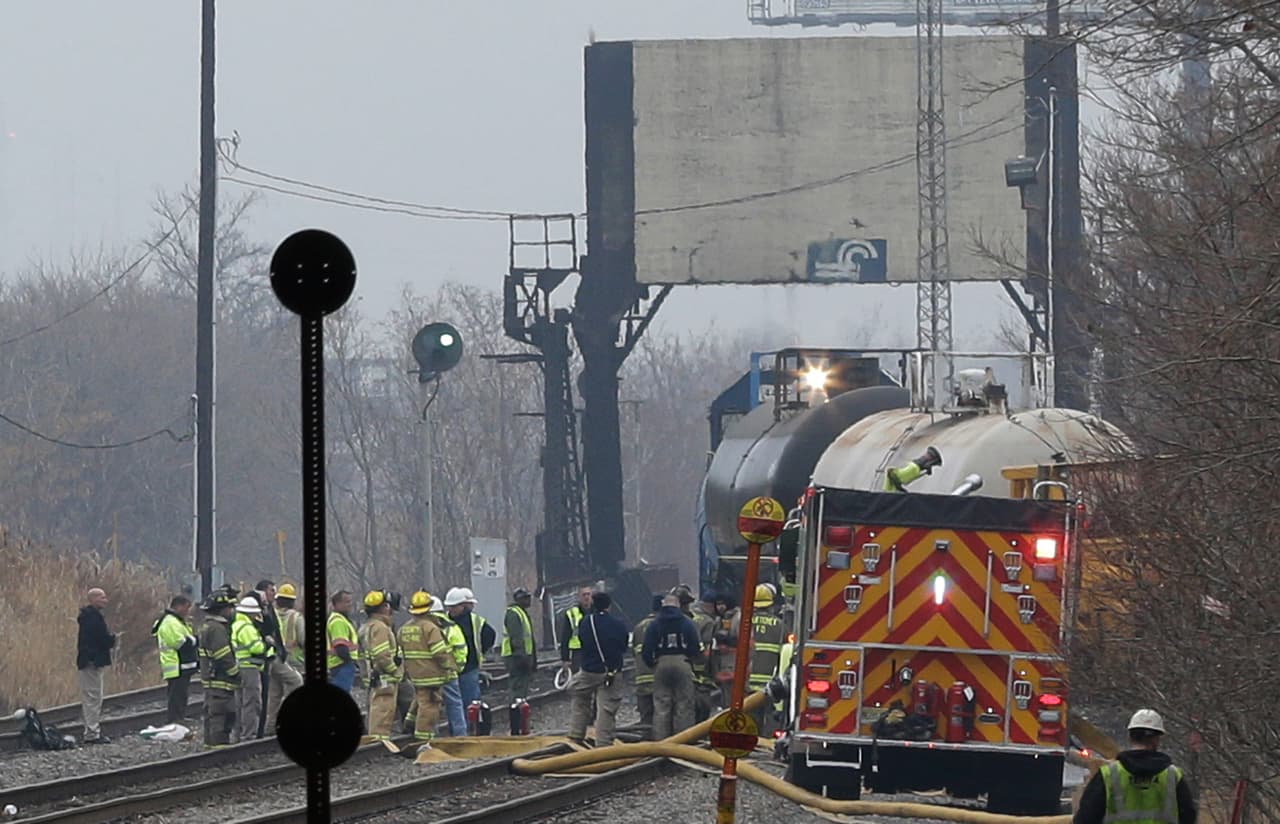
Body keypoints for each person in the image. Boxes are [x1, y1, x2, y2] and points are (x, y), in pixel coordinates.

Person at [1073, 709, 1197, 824]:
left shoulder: (1109, 775)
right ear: (1157, 739)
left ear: (1130, 737)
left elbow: (1085, 818)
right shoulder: (1173, 776)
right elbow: (1188, 817)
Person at [567, 592, 629, 747]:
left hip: (589, 671)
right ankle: (603, 744)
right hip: (612, 672)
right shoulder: (618, 624)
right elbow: (623, 647)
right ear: (609, 606)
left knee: (578, 694)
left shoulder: (586, 623)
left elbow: (583, 642)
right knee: (606, 709)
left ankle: (575, 735)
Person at [398, 591, 457, 745]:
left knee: (420, 699)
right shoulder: (430, 628)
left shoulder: (404, 628)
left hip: (415, 674)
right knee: (429, 706)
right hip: (432, 675)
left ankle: (409, 724)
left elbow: (400, 652)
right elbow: (439, 652)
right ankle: (423, 739)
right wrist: (449, 667)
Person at [643, 594, 703, 739]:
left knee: (661, 705)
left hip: (661, 663)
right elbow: (695, 647)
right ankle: (683, 741)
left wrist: (652, 663)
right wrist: (689, 659)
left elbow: (646, 650)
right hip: (682, 663)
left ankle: (661, 743)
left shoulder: (654, 624)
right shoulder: (687, 622)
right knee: (684, 705)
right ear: (678, 605)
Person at [358, 590, 404, 740]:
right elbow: (381, 655)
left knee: (376, 710)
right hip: (385, 678)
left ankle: (376, 740)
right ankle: (379, 742)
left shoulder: (366, 626)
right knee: (383, 713)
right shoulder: (380, 628)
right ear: (384, 607)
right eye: (388, 606)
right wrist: (394, 671)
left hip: (374, 677)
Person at [198, 589, 241, 747]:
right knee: (222, 715)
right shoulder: (217, 629)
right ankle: (218, 750)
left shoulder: (207, 626)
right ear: (221, 609)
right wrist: (235, 673)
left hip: (211, 680)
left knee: (212, 714)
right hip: (220, 680)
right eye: (229, 608)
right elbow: (223, 655)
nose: (232, 611)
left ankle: (210, 746)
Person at [76, 587, 117, 744]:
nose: (105, 600)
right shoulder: (94, 618)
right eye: (102, 597)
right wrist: (112, 639)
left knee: (92, 697)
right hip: (92, 661)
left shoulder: (88, 617)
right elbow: (102, 639)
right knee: (93, 697)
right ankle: (92, 733)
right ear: (92, 599)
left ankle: (92, 731)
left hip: (89, 661)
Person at [151, 595, 198, 723]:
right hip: (176, 665)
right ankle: (175, 719)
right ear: (178, 606)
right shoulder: (170, 622)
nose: (188, 611)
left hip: (181, 666)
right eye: (186, 608)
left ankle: (179, 717)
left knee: (181, 694)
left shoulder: (176, 621)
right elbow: (179, 643)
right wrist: (194, 641)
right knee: (176, 695)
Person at [231, 596, 273, 741]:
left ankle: (239, 734)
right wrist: (267, 644)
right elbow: (256, 648)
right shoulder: (247, 627)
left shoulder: (238, 624)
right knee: (252, 701)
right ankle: (249, 734)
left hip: (242, 666)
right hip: (250, 668)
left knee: (240, 701)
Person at [747, 584, 786, 735]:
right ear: (771, 605)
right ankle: (767, 744)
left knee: (749, 719)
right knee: (771, 720)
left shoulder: (744, 622)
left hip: (747, 683)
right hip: (771, 684)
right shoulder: (780, 625)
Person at [447, 587, 495, 708]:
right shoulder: (444, 621)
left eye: (454, 606)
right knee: (454, 704)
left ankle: (472, 725)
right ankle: (461, 726)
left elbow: (490, 635)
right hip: (450, 669)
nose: (450, 609)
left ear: (462, 606)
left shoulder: (474, 621)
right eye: (449, 606)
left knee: (470, 702)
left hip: (469, 667)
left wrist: (479, 651)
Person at [267, 583, 304, 732]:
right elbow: (303, 639)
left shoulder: (271, 615)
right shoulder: (296, 617)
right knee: (295, 687)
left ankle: (271, 725)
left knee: (274, 694)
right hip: (295, 661)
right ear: (292, 601)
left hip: (275, 659)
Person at [431, 595, 469, 736]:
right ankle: (460, 736)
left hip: (428, 675)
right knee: (454, 704)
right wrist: (457, 668)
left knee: (430, 705)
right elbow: (461, 651)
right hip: (449, 673)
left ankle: (432, 737)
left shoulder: (422, 627)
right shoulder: (452, 628)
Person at [630, 595, 662, 736]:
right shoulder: (662, 625)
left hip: (642, 677)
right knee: (662, 715)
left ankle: (646, 744)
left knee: (646, 715)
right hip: (659, 677)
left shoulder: (639, 626)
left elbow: (634, 651)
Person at [502, 588, 537, 700]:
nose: (529, 600)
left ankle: (520, 711)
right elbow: (516, 638)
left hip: (522, 655)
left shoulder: (521, 613)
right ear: (519, 599)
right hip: (516, 657)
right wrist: (521, 657)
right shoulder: (514, 614)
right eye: (526, 598)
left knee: (522, 688)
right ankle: (516, 713)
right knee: (518, 688)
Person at [326, 590, 360, 693]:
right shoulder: (338, 622)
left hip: (341, 665)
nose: (350, 605)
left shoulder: (341, 620)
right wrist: (351, 662)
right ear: (337, 604)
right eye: (346, 602)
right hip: (342, 665)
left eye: (350, 601)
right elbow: (340, 647)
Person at [558, 585, 594, 677]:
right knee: (579, 679)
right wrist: (565, 659)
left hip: (595, 650)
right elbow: (565, 637)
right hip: (578, 652)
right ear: (579, 597)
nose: (586, 597)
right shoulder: (572, 614)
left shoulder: (597, 612)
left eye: (588, 594)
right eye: (583, 595)